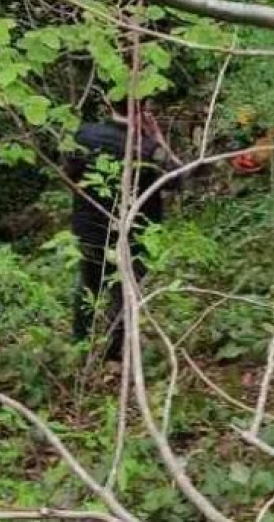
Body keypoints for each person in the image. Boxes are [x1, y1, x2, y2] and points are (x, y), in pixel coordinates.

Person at [62, 104, 181, 361]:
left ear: (107, 103)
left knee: (88, 286)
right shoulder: (148, 149)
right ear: (144, 109)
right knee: (125, 295)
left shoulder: (82, 135)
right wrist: (157, 137)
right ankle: (113, 354)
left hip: (90, 231)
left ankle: (79, 349)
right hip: (134, 237)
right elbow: (177, 179)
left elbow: (70, 174)